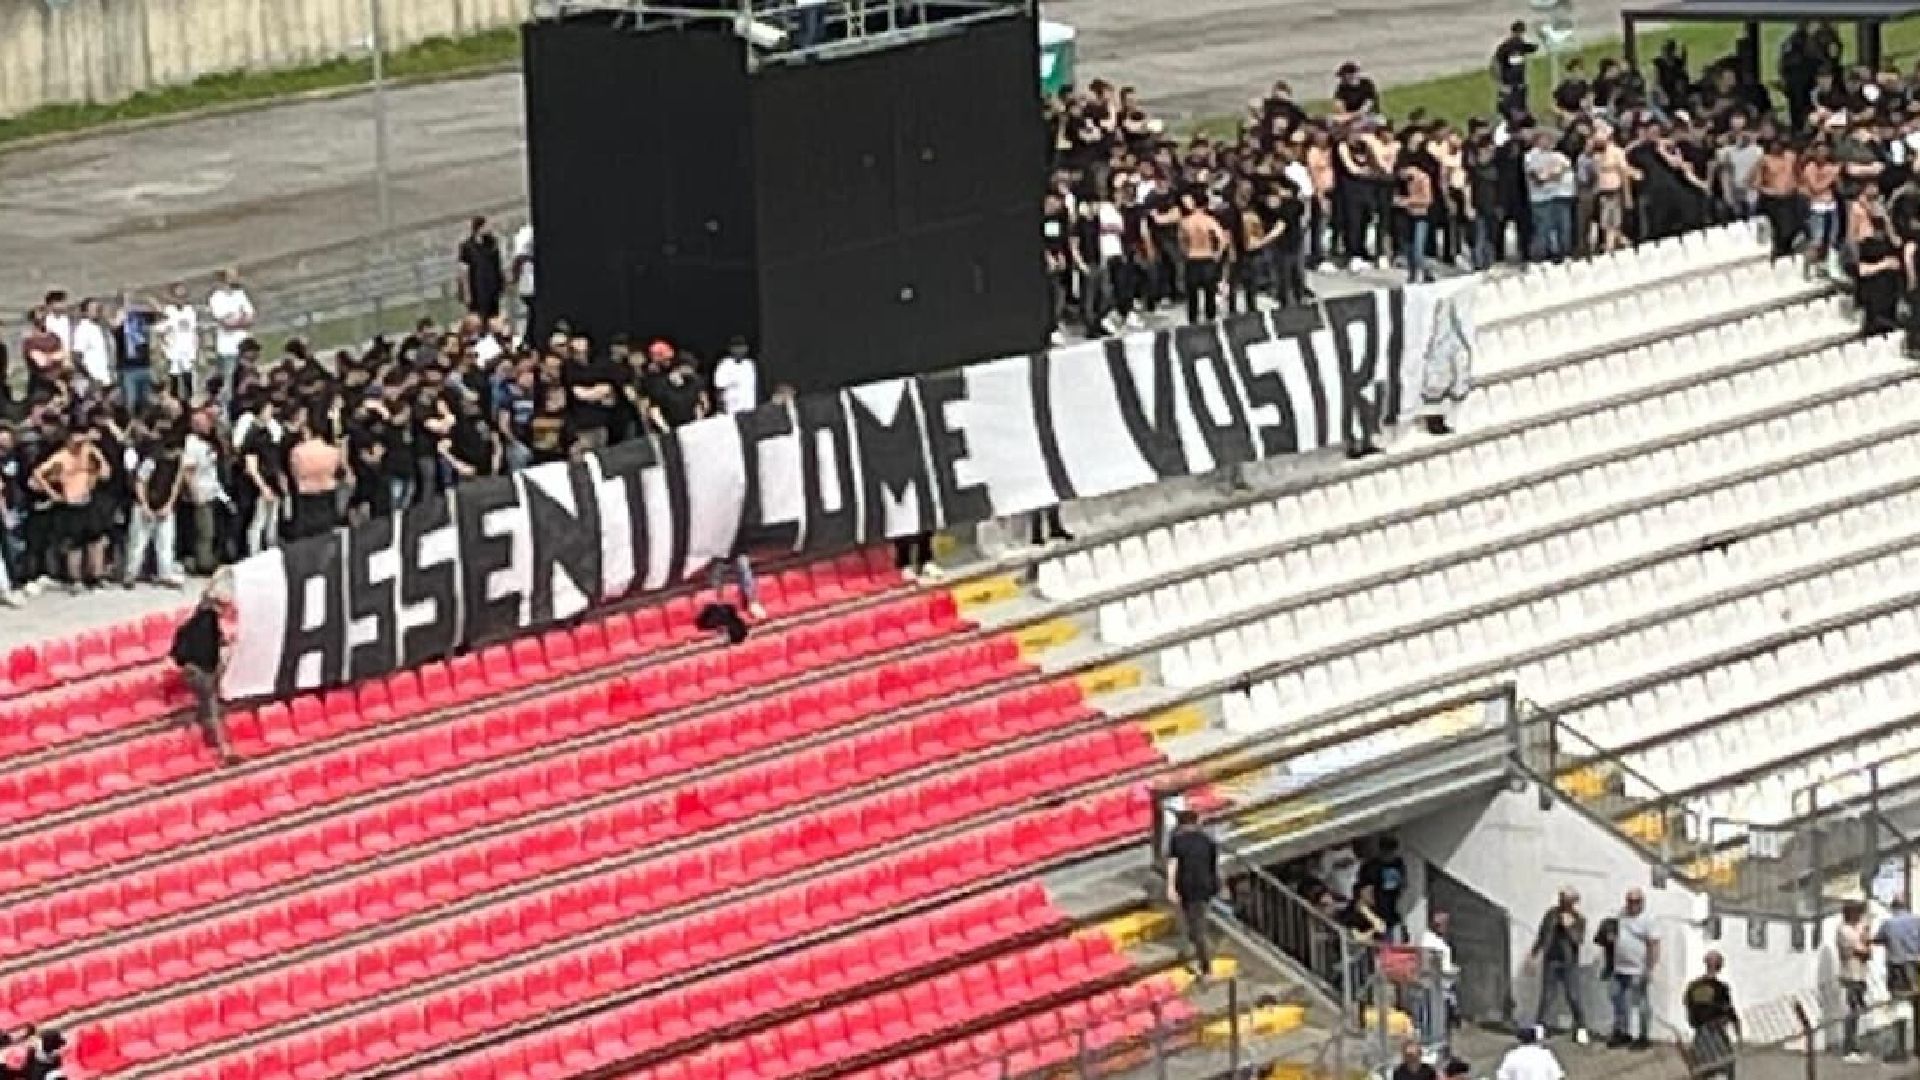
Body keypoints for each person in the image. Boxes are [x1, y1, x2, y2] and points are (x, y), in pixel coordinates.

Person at [30, 427, 112, 593]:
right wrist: (52, 493)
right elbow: (37, 474)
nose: (80, 445)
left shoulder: (88, 454)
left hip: (88, 502)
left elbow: (105, 474)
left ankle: (95, 577)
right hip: (71, 504)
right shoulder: (61, 456)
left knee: (95, 542)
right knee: (74, 545)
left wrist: (96, 453)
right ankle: (75, 579)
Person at [1596, 887, 1658, 1049]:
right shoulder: (1621, 914)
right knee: (1617, 1000)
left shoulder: (1648, 920)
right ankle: (1622, 1032)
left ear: (1642, 902)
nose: (1632, 905)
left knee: (1641, 1002)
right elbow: (1614, 931)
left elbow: (1653, 945)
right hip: (1619, 968)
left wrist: (1649, 969)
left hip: (1638, 969)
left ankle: (1644, 1036)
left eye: (1635, 901)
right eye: (1629, 901)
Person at [1529, 887, 1590, 1043]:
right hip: (1551, 960)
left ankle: (1581, 1027)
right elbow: (1542, 935)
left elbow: (1578, 941)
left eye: (1566, 900)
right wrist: (1533, 955)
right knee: (1547, 996)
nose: (1562, 902)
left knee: (1573, 996)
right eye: (1561, 899)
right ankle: (1540, 1026)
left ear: (1573, 902)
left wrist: (1568, 927)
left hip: (1569, 963)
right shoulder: (1551, 915)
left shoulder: (1579, 919)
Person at [1166, 809, 1220, 978]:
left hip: (1187, 886)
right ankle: (1200, 959)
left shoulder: (1177, 841)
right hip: (1205, 887)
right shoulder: (1208, 841)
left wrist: (1170, 887)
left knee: (1196, 929)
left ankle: (1205, 967)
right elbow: (1213, 866)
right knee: (1198, 923)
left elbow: (1173, 865)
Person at [1684, 951, 1739, 1080]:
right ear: (1720, 966)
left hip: (1699, 1034)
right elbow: (1728, 1010)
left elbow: (1689, 1008)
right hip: (1715, 1033)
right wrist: (1737, 1027)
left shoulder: (1693, 986)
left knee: (1700, 1069)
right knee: (1727, 1063)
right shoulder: (1721, 988)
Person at [1178, 191, 1230, 325]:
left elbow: (1182, 241)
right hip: (1207, 257)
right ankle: (1210, 320)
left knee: (1192, 295)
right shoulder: (1209, 220)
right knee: (1209, 294)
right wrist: (1218, 253)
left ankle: (1193, 321)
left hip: (1192, 257)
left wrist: (1186, 253)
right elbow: (1223, 239)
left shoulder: (1185, 222)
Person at [207, 269, 255, 403]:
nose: (236, 278)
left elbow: (250, 318)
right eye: (232, 276)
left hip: (244, 346)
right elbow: (225, 323)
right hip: (228, 349)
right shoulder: (216, 298)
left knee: (246, 380)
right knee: (228, 383)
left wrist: (237, 320)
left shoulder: (240, 294)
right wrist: (241, 319)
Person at [1838, 899, 1874, 1064]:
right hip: (1850, 973)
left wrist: (1866, 930)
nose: (1859, 916)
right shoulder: (1843, 930)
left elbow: (1867, 947)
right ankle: (1848, 1047)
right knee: (1852, 1010)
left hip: (1861, 973)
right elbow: (1855, 950)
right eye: (1856, 913)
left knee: (1858, 1010)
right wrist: (1864, 946)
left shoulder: (1857, 928)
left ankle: (1854, 1044)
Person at [458, 216, 506, 320]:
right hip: (477, 289)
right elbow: (463, 270)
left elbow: (498, 265)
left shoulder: (492, 244)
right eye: (487, 226)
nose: (490, 228)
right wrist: (466, 293)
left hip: (492, 288)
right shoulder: (467, 246)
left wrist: (502, 283)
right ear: (480, 227)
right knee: (479, 317)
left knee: (494, 317)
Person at [159, 283, 199, 401]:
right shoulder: (169, 311)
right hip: (174, 350)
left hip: (187, 350)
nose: (181, 299)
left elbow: (193, 330)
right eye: (178, 296)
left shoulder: (190, 311)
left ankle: (189, 402)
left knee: (188, 379)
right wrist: (165, 345)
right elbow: (160, 330)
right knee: (174, 380)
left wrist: (194, 348)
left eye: (183, 296)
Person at [1491, 22, 1539, 116]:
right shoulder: (1506, 46)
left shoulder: (1521, 45)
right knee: (1506, 108)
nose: (1520, 35)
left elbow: (1533, 47)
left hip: (1520, 83)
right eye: (1519, 33)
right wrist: (1500, 83)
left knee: (1521, 107)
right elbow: (1495, 63)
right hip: (1508, 83)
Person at [712, 337, 760, 417]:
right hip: (730, 410)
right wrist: (721, 410)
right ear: (730, 349)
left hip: (749, 409)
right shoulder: (724, 364)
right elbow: (719, 389)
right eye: (736, 347)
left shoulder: (750, 364)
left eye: (742, 347)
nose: (739, 350)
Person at [1496, 1026, 1565, 1080]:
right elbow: (1558, 1077)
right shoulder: (1545, 1055)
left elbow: (1502, 1077)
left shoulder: (1512, 1055)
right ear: (1535, 1039)